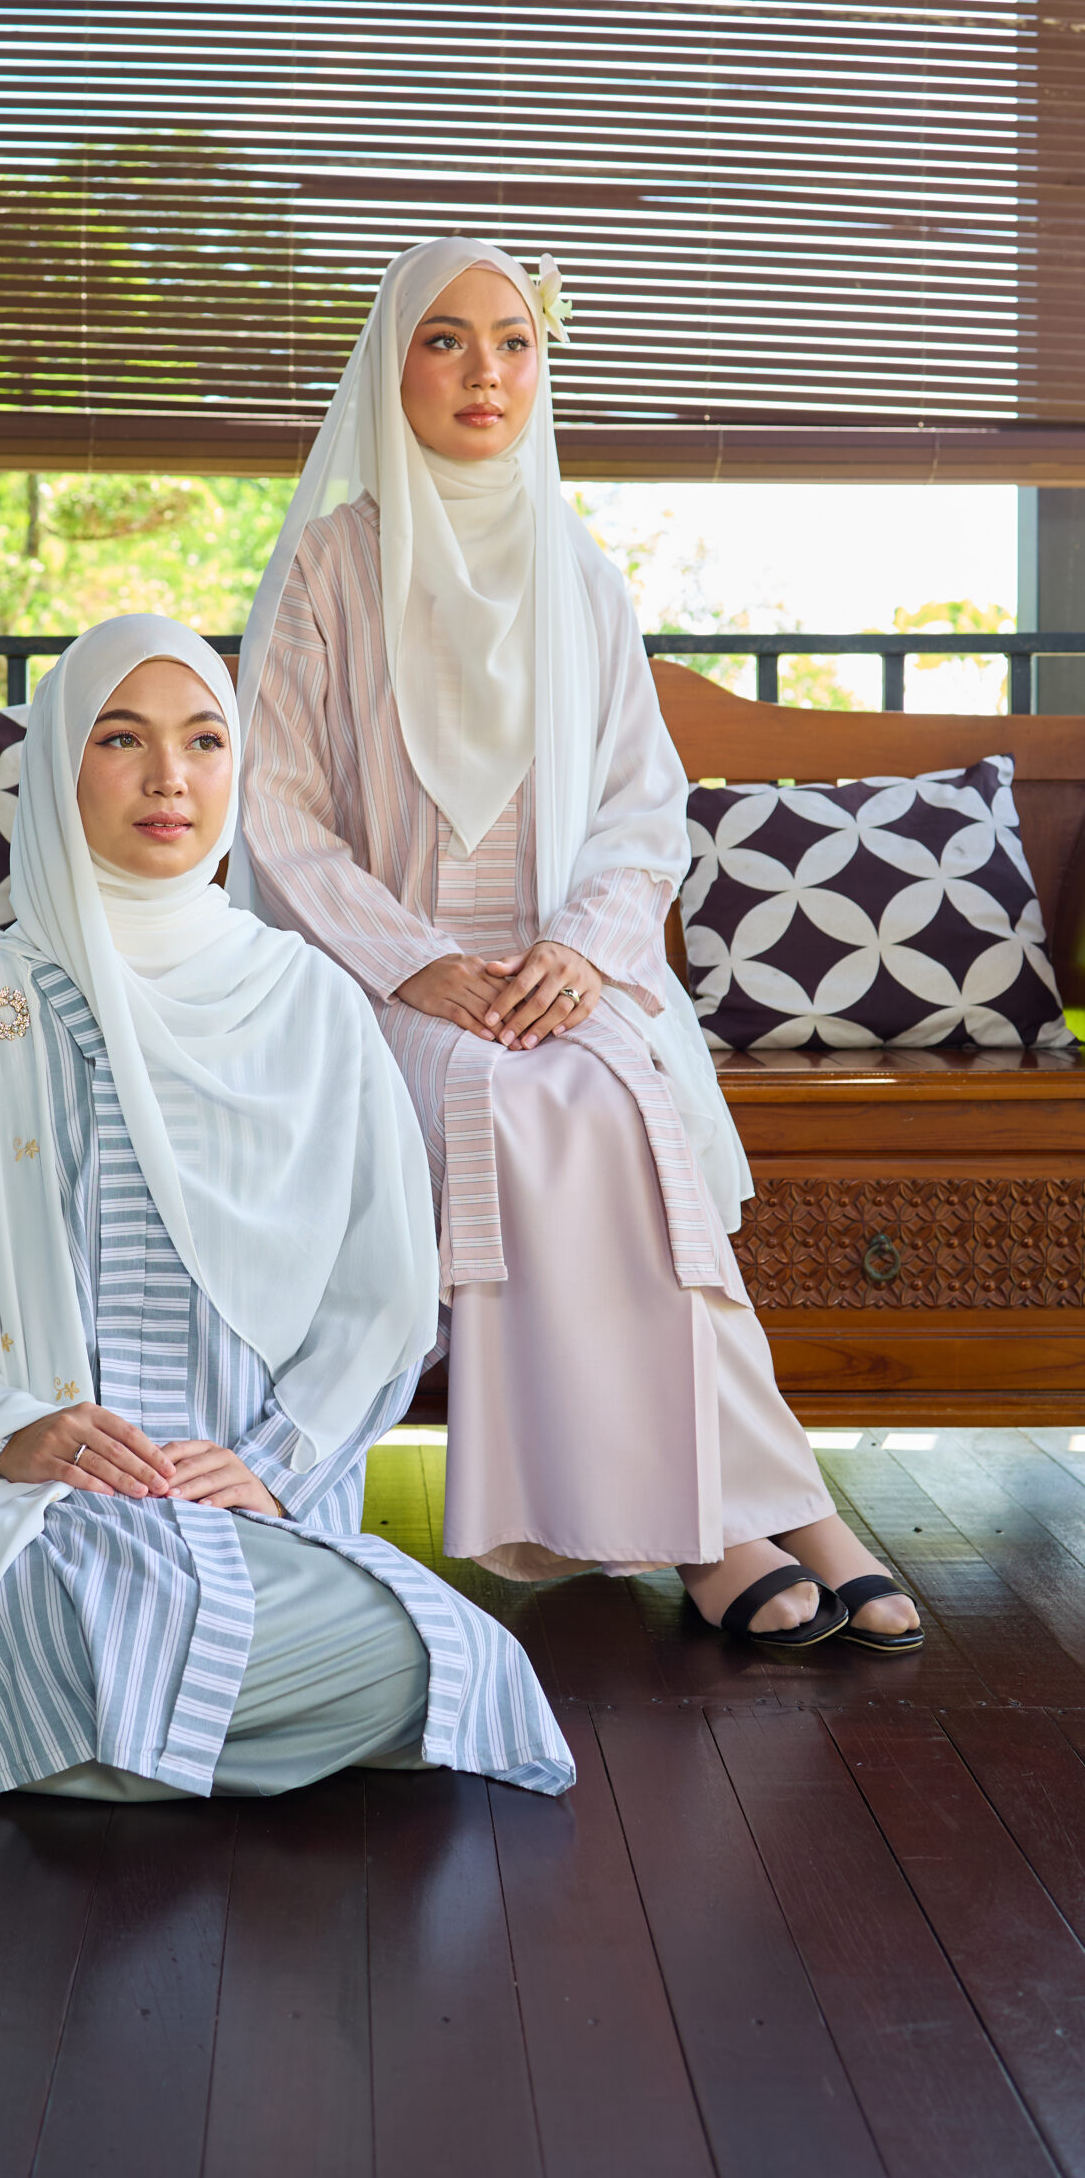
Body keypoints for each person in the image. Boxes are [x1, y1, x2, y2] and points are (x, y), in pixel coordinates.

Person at [0, 613, 572, 1877]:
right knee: (49, 1622)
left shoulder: (312, 1007)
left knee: (425, 1661)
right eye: (122, 739)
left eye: (205, 741)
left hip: (240, 1517)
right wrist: (14, 1430)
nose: (170, 777)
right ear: (61, 765)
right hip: (21, 1515)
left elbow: (381, 1297)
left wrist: (271, 1462)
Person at [234, 237, 923, 1653]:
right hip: (385, 978)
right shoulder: (330, 566)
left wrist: (587, 954)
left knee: (613, 1092)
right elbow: (277, 811)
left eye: (512, 342)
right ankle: (739, 1522)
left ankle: (750, 1513)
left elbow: (639, 806)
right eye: (443, 339)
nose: (483, 371)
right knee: (522, 1100)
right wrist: (415, 961)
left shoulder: (578, 574)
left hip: (562, 966)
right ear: (389, 369)